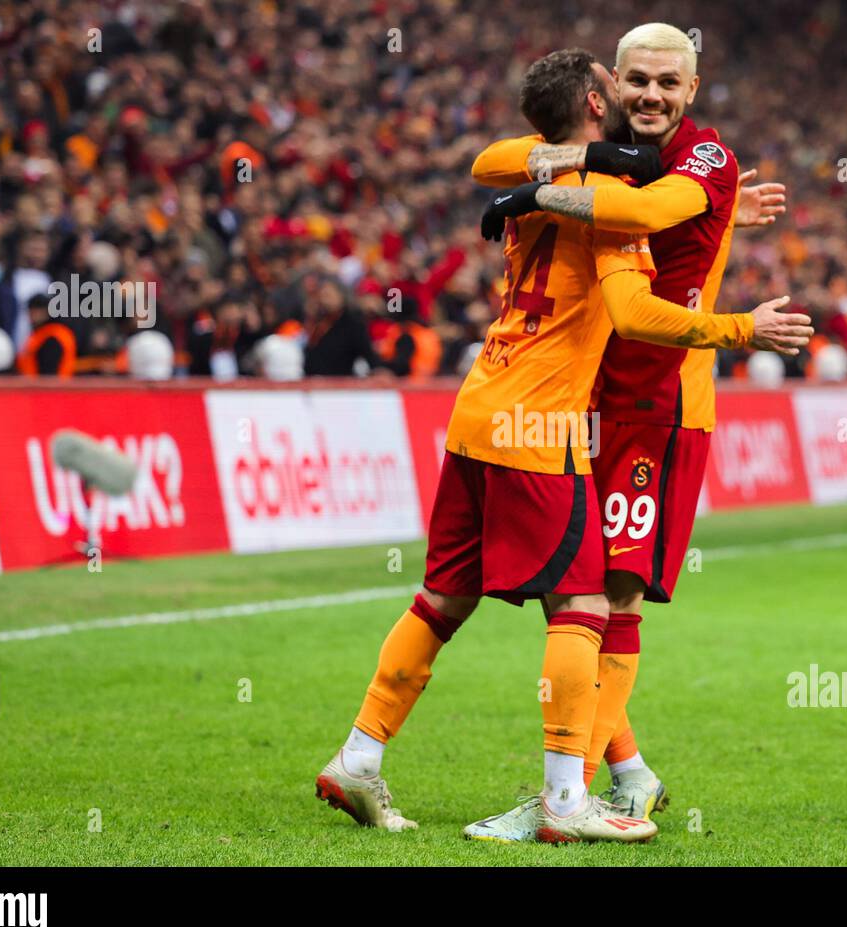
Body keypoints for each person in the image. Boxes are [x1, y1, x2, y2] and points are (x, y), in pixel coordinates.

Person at [314, 47, 810, 843]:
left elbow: (496, 164)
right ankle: (566, 801)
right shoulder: (610, 199)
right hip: (545, 428)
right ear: (592, 99)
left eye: (656, 84)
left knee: (444, 596)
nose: (634, 98)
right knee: (588, 606)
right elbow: (636, 313)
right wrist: (740, 329)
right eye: (620, 87)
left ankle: (359, 757)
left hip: (478, 409)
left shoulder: (542, 189)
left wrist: (709, 220)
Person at [469, 22, 794, 836]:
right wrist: (566, 162)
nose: (652, 96)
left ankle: (565, 796)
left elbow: (651, 205)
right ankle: (627, 775)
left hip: (662, 405)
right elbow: (488, 162)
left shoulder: (709, 156)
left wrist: (543, 187)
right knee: (569, 598)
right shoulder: (614, 142)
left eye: (668, 84)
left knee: (611, 594)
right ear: (611, 84)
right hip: (593, 398)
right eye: (638, 81)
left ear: (691, 89)